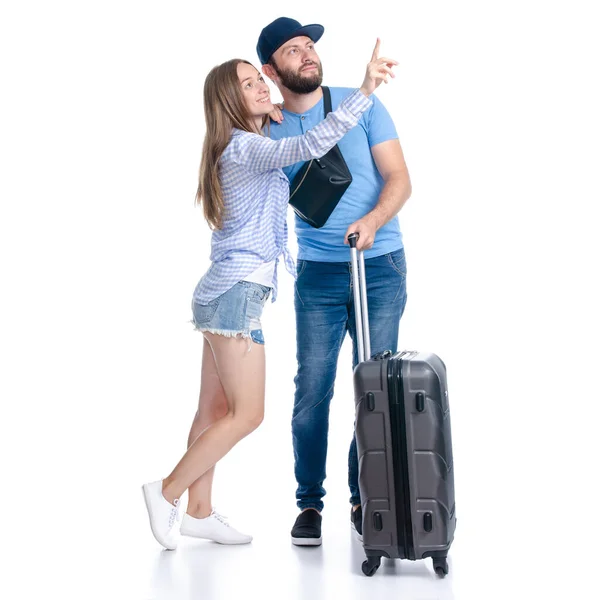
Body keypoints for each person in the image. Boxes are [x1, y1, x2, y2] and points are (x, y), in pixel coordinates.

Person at [141, 45, 398, 550]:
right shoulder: (246, 148)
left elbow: (288, 143)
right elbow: (309, 145)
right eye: (248, 85)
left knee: (212, 412)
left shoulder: (242, 142)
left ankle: (199, 511)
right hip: (235, 298)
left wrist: (270, 116)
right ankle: (166, 491)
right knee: (247, 415)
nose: (262, 87)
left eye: (259, 81)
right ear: (229, 102)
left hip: (223, 295)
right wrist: (365, 92)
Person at [256, 17, 412, 546]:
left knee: (372, 387)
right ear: (270, 70)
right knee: (312, 391)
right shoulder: (266, 126)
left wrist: (372, 222)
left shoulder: (361, 103)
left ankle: (362, 496)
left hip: (381, 266)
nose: (306, 55)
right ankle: (309, 503)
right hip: (318, 275)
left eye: (309, 46)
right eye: (292, 51)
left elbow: (399, 178)